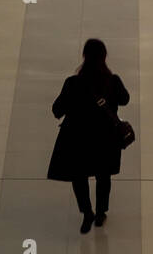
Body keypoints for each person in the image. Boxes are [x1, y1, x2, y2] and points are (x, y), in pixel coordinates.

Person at [48, 38, 131, 233]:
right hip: (106, 139)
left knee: (79, 176)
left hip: (78, 139)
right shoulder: (113, 81)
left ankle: (87, 213)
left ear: (84, 56)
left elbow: (56, 110)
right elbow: (125, 99)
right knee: (103, 176)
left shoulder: (73, 83)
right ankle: (101, 213)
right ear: (104, 57)